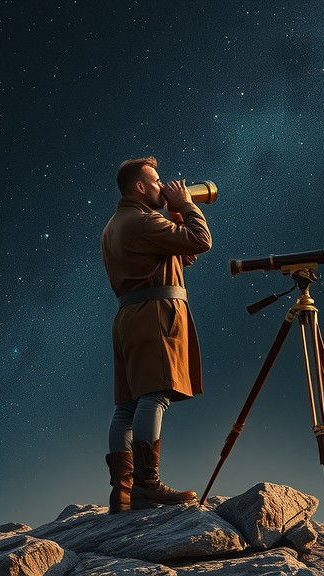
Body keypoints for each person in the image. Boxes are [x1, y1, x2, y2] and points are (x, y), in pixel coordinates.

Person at [101, 156, 212, 513]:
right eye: (156, 180)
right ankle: (147, 485)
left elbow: (184, 256)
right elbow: (200, 241)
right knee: (155, 395)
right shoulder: (142, 220)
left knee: (128, 405)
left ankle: (122, 491)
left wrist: (174, 213)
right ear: (139, 186)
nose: (163, 186)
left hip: (127, 316)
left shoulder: (116, 224)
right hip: (154, 315)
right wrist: (187, 205)